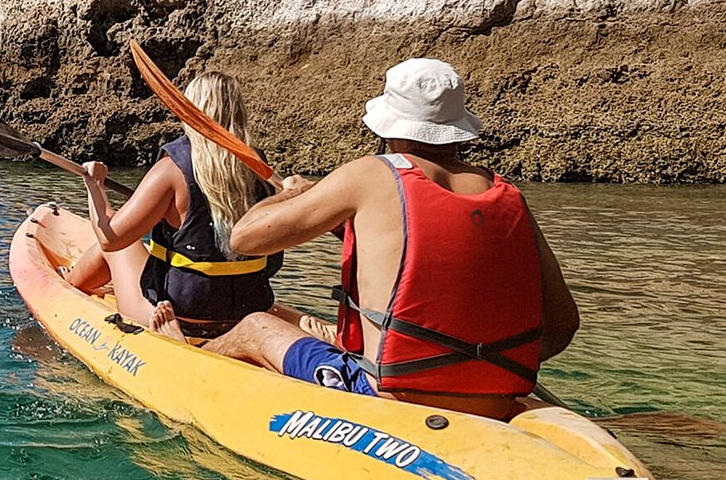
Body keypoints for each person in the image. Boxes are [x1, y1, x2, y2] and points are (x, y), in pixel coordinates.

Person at [203, 58, 580, 420]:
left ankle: (192, 360)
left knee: (255, 326)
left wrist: (289, 193)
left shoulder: (370, 175)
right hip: (495, 398)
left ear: (387, 127)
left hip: (391, 392)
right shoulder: (507, 194)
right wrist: (473, 368)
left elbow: (245, 239)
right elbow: (563, 324)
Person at [66, 71, 283, 340]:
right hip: (244, 313)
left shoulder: (171, 171)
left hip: (176, 316)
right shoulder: (264, 174)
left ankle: (66, 287)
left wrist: (95, 187)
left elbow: (110, 238)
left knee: (121, 245)